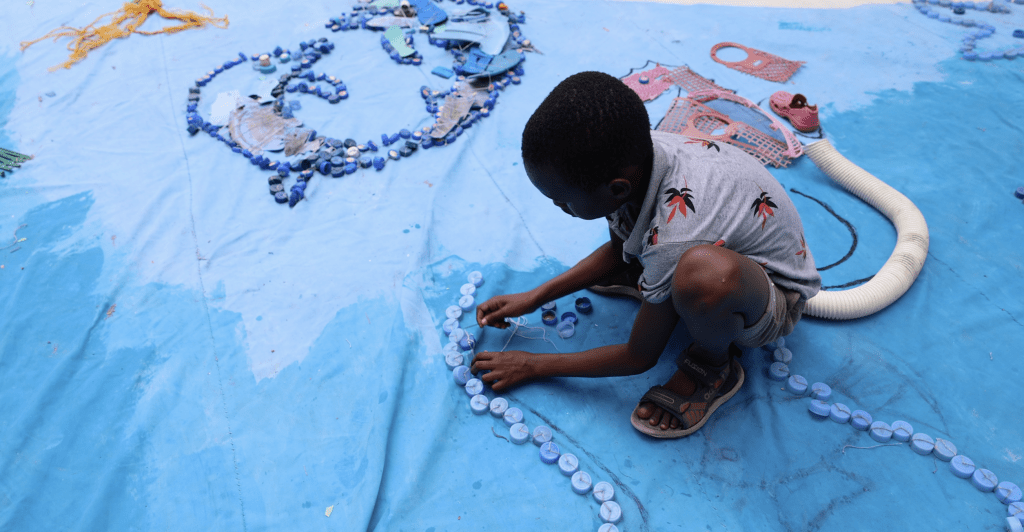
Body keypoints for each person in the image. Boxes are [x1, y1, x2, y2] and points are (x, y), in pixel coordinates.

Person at [471, 71, 821, 439]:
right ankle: (656, 281)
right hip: (702, 246)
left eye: (563, 201)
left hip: (767, 298)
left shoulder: (675, 234)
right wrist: (535, 296)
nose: (559, 206)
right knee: (670, 258)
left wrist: (532, 365)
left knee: (704, 277)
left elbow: (639, 356)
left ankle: (711, 365)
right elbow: (618, 246)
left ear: (617, 187)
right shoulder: (634, 155)